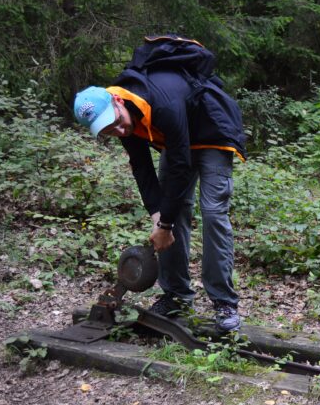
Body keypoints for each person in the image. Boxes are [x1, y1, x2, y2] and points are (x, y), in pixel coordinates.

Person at [72, 36, 246, 332]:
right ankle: (176, 296)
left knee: (213, 212)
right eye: (107, 129)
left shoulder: (161, 102)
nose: (118, 129)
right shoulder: (124, 119)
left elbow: (179, 165)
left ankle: (223, 301)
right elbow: (142, 168)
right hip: (178, 140)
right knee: (170, 213)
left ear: (116, 100)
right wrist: (158, 217)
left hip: (213, 132)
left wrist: (165, 225)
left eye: (115, 121)